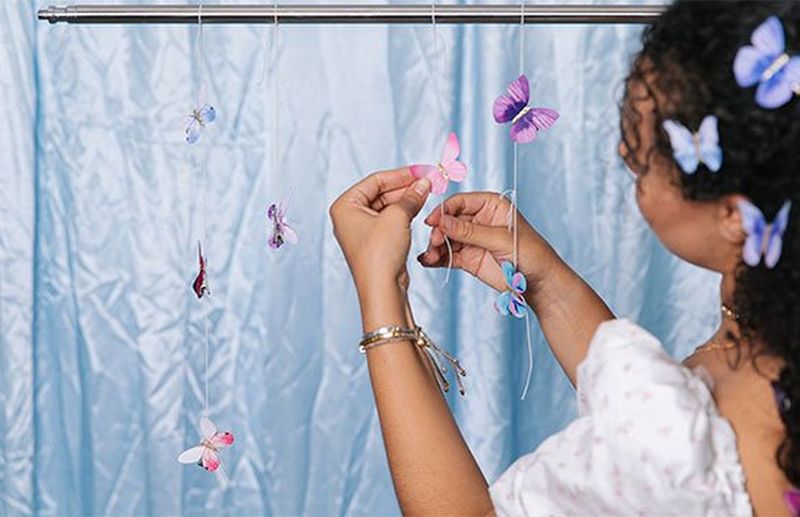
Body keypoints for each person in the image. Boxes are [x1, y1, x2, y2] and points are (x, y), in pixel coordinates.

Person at [329, 0, 800, 514]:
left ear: (734, 216)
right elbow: (638, 402)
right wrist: (546, 279)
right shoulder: (768, 328)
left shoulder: (693, 436)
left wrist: (380, 291)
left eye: (646, 156)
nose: (624, 155)